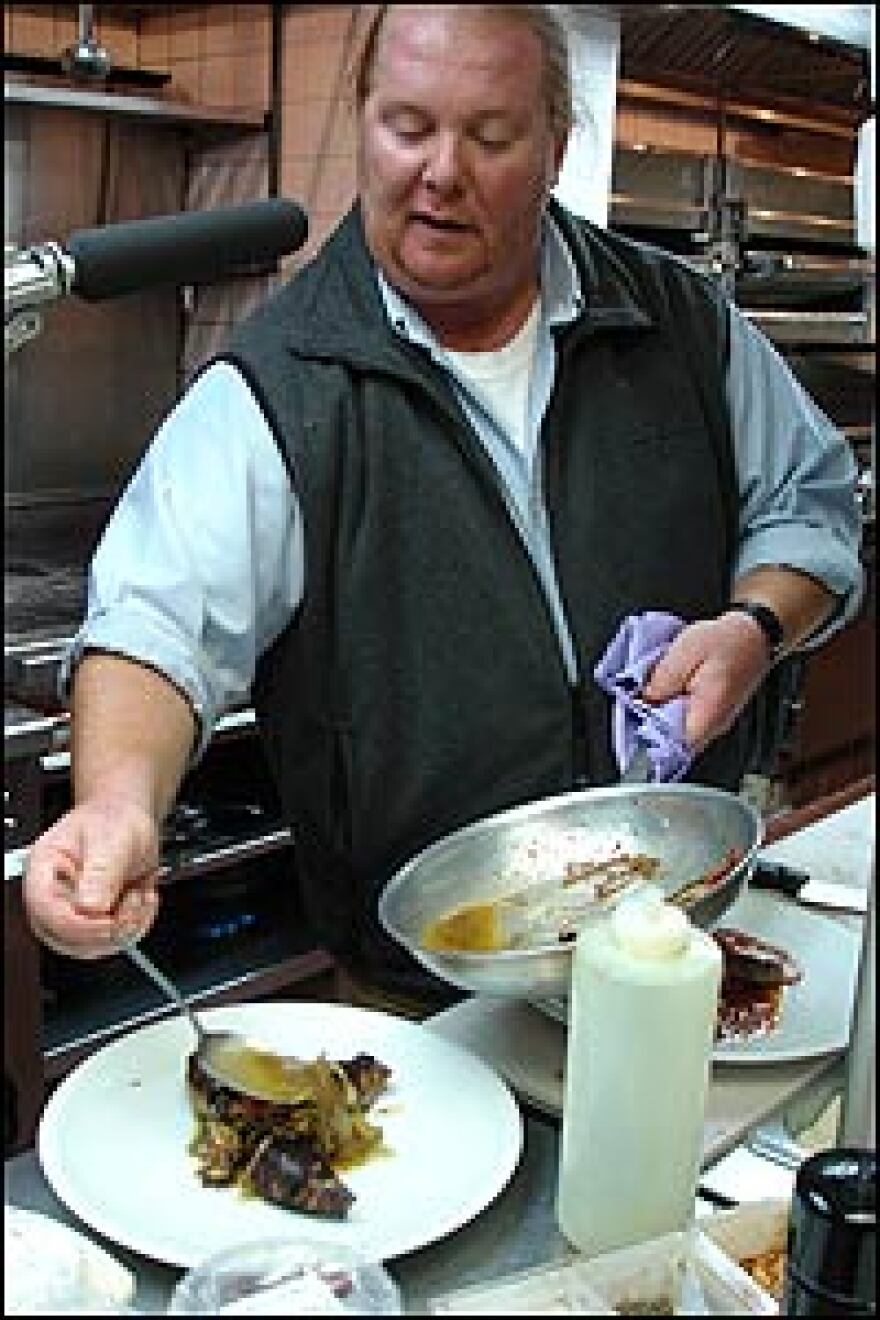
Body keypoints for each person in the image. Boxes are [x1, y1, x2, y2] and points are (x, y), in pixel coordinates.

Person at [23, 5, 863, 1005]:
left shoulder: (682, 327)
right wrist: (116, 804)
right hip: (431, 987)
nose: (441, 172)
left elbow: (810, 505)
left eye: (491, 136)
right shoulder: (279, 388)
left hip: (674, 945)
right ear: (365, 116)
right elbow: (156, 627)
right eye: (408, 127)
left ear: (555, 146)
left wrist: (754, 626)